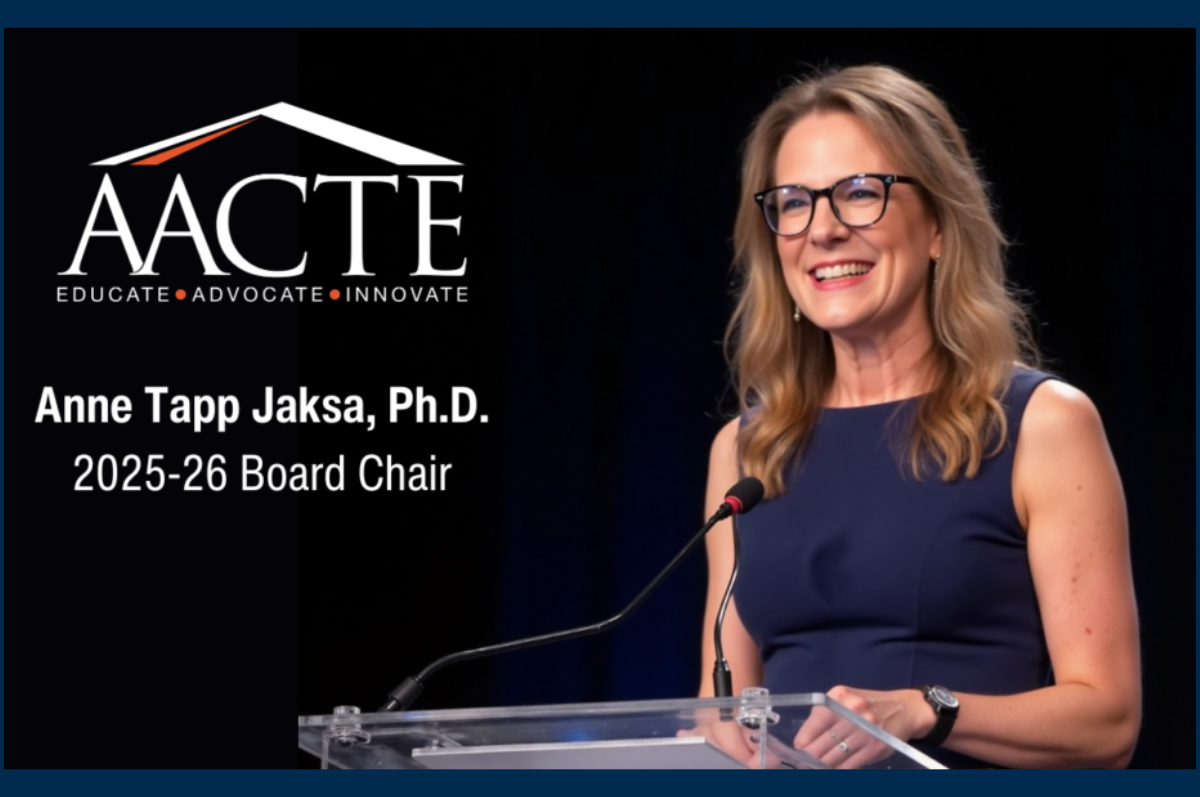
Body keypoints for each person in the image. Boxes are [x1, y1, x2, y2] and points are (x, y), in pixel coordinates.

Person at [697, 65, 1141, 769]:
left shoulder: (1042, 424)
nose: (824, 229)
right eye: (793, 202)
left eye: (860, 193)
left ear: (938, 225)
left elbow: (1108, 719)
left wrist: (924, 709)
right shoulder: (747, 450)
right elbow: (723, 714)